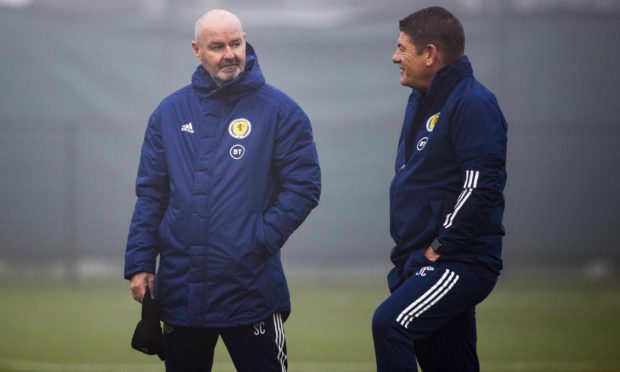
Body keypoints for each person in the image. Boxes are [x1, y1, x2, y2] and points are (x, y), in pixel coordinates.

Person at [124, 9, 321, 372]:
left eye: (236, 43)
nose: (230, 53)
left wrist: (259, 238)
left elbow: (304, 185)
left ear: (245, 41)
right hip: (182, 289)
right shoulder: (168, 113)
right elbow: (152, 194)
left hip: (250, 288)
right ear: (197, 50)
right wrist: (140, 263)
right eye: (217, 46)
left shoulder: (281, 112)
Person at [372, 6, 507, 372]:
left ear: (430, 54)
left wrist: (442, 243)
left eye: (403, 48)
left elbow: (481, 185)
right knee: (449, 363)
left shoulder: (473, 104)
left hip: (458, 260)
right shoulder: (423, 100)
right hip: (418, 259)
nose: (395, 57)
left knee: (390, 325)